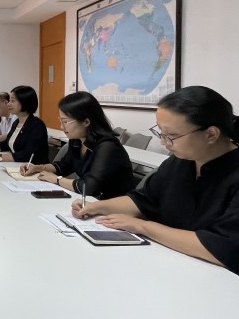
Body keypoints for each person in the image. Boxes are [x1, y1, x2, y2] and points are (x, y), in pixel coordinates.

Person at [72, 86, 239, 274]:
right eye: (161, 133)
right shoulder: (180, 161)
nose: (163, 143)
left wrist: (143, 226)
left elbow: (222, 247)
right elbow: (145, 199)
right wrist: (96, 207)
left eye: (172, 135)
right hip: (169, 262)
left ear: (211, 134)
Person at [21, 91, 133, 199]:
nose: (61, 127)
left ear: (86, 122)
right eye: (60, 121)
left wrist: (57, 179)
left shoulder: (107, 147)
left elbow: (89, 187)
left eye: (65, 122)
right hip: (91, 201)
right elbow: (64, 166)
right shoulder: (77, 140)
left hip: (113, 204)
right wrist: (39, 168)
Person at [0, 86, 48, 163]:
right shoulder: (16, 122)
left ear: (25, 102)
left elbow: (27, 155)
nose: (8, 104)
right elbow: (6, 144)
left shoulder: (36, 125)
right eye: (9, 100)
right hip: (16, 165)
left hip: (31, 168)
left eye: (12, 101)